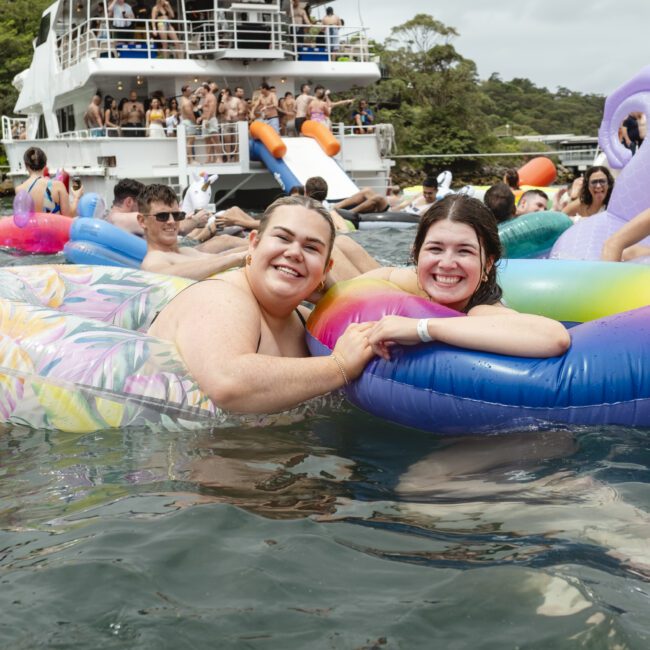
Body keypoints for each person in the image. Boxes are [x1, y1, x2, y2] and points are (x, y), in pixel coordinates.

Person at [147, 194, 375, 413]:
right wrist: (339, 366)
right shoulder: (219, 295)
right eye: (283, 238)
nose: (295, 253)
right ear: (253, 244)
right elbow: (227, 383)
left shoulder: (304, 320)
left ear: (326, 268)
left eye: (311, 248)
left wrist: (333, 297)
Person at [362, 194, 571, 359]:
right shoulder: (413, 282)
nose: (446, 264)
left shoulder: (481, 310)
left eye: (464, 251)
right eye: (435, 249)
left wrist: (422, 328)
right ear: (417, 254)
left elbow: (555, 337)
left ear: (488, 263)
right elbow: (369, 281)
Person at [138, 184, 246, 278]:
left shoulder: (187, 251)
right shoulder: (154, 259)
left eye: (176, 215)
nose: (171, 221)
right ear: (142, 221)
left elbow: (221, 257)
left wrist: (253, 249)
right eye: (162, 216)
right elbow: (161, 275)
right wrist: (237, 258)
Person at [16, 147, 83, 217]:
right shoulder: (58, 186)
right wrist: (76, 197)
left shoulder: (19, 189)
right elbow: (69, 216)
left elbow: (22, 219)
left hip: (31, 228)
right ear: (45, 164)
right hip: (54, 227)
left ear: (26, 165)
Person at [180, 84, 198, 163]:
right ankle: (190, 159)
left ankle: (189, 159)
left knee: (189, 141)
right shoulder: (186, 102)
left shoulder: (183, 99)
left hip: (186, 122)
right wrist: (195, 122)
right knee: (190, 141)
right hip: (189, 122)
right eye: (189, 90)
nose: (190, 92)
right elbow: (190, 114)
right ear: (184, 92)